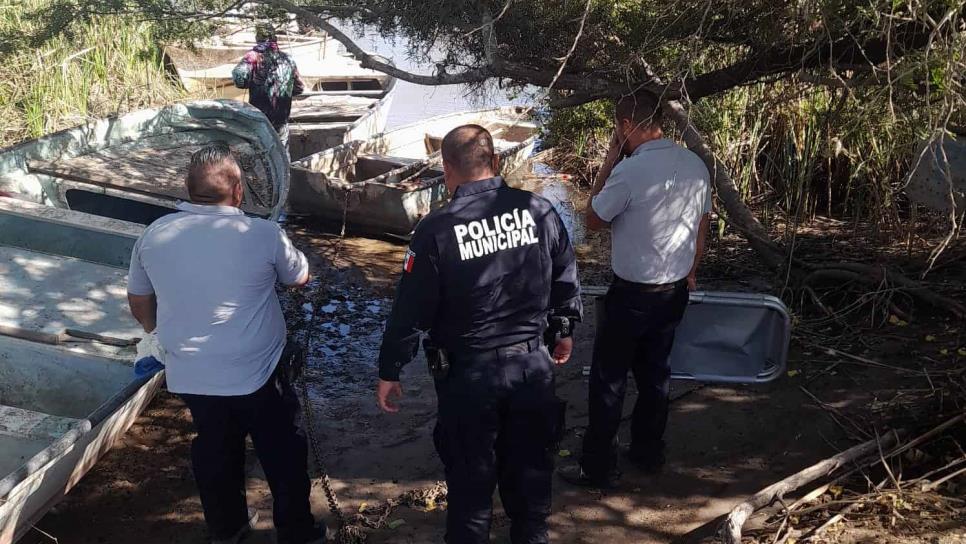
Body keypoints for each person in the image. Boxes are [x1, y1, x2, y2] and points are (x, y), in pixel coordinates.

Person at [375, 125, 582, 544]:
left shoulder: (435, 230)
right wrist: (563, 328)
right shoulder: (539, 210)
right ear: (497, 162)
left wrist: (390, 368)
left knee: (471, 497)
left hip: (471, 378)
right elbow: (565, 273)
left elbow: (411, 307)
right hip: (531, 370)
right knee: (531, 491)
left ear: (446, 169)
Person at [126, 143, 323, 544]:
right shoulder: (263, 233)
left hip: (193, 375)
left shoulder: (155, 234)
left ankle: (228, 529)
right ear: (239, 191)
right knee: (282, 452)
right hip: (259, 373)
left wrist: (154, 332)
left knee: (215, 451)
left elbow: (139, 299)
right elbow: (299, 277)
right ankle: (297, 531)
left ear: (187, 188)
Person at [560, 90, 711, 488]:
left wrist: (610, 161)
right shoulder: (694, 163)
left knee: (609, 380)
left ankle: (597, 468)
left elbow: (592, 220)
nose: (617, 139)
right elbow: (702, 225)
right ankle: (647, 452)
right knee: (655, 375)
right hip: (673, 291)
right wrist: (692, 271)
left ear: (626, 125)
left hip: (632, 295)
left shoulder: (629, 170)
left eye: (617, 131)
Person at [232, 25, 304, 155]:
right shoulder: (288, 59)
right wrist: (284, 90)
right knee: (282, 153)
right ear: (274, 38)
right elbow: (299, 88)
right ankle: (285, 174)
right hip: (281, 117)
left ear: (257, 38)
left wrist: (249, 83)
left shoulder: (252, 56)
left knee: (261, 153)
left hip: (260, 117)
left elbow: (238, 77)